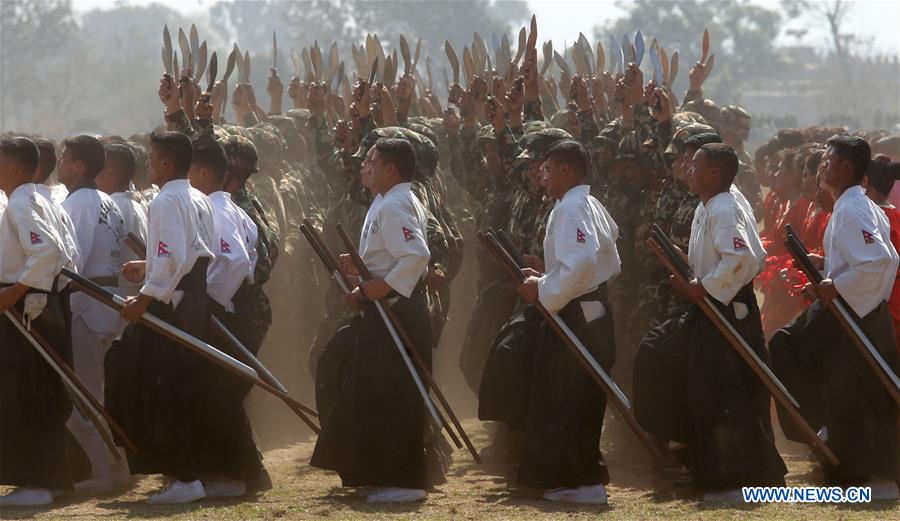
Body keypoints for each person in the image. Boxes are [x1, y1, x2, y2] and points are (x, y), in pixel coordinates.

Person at [634, 143, 787, 501]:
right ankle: (698, 458)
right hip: (712, 304)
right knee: (668, 362)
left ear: (715, 173)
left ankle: (733, 481)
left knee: (723, 396)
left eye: (696, 165)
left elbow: (743, 258)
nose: (689, 169)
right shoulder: (712, 204)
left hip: (726, 308)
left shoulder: (723, 206)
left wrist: (704, 286)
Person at [770, 136, 899, 498]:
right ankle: (825, 432)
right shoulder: (851, 204)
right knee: (839, 386)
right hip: (851, 308)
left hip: (856, 314)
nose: (822, 165)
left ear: (846, 167)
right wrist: (827, 269)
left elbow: (881, 260)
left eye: (829, 159)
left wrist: (836, 287)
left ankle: (877, 478)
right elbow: (864, 259)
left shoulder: (854, 207)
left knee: (862, 394)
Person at [310, 138, 434, 503]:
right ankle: (379, 472)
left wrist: (378, 286)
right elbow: (391, 254)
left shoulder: (396, 204)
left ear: (391, 170)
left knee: (395, 395)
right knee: (371, 390)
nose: (365, 166)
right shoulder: (386, 202)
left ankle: (404, 482)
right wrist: (364, 267)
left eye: (372, 161)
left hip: (397, 311)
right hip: (382, 309)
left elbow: (416, 256)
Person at [104, 130, 216, 504]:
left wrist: (145, 297)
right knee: (176, 386)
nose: (147, 164)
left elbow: (172, 260)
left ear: (166, 163)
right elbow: (185, 254)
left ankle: (185, 477)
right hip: (192, 299)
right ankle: (183, 472)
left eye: (151, 158)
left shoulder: (166, 201)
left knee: (165, 388)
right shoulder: (198, 197)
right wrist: (147, 264)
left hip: (175, 305)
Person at [509, 140, 620, 504]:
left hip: (578, 313)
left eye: (547, 168)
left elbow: (584, 261)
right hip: (580, 306)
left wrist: (542, 288)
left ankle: (584, 481)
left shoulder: (574, 206)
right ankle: (569, 478)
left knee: (572, 399)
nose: (542, 175)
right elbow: (593, 255)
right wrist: (548, 275)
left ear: (566, 170)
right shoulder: (579, 204)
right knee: (564, 397)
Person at [0, 137, 81, 506]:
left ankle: (38, 482)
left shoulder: (20, 203)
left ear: (13, 167)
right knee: (41, 394)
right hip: (43, 302)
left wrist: (16, 294)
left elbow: (49, 251)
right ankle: (51, 478)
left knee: (27, 395)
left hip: (25, 309)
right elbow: (67, 253)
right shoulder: (40, 200)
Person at [56, 134, 129, 492]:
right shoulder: (105, 201)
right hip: (107, 301)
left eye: (65, 157)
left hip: (86, 302)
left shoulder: (78, 204)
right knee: (92, 392)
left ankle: (104, 470)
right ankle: (116, 466)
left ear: (79, 165)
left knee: (79, 395)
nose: (59, 162)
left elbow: (72, 262)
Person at [96, 142, 149, 297]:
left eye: (98, 169)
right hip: (135, 289)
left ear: (111, 172)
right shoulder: (137, 204)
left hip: (120, 293)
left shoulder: (111, 206)